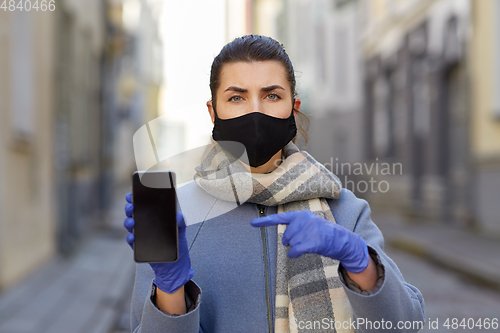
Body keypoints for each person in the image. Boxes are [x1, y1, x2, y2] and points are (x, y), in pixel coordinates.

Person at [123, 35, 425, 333]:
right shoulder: (177, 217)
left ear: (293, 108)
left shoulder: (345, 211)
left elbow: (405, 327)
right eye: (236, 98)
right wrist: (171, 291)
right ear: (213, 112)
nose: (255, 112)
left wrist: (361, 263)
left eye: (271, 96)